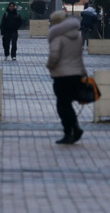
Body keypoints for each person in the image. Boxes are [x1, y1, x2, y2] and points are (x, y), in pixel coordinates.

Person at [45, 10, 86, 145]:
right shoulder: (78, 35)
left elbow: (54, 56)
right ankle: (75, 128)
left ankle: (69, 132)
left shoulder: (58, 36)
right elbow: (79, 56)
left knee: (62, 105)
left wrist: (50, 66)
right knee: (67, 104)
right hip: (76, 73)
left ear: (56, 22)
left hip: (62, 75)